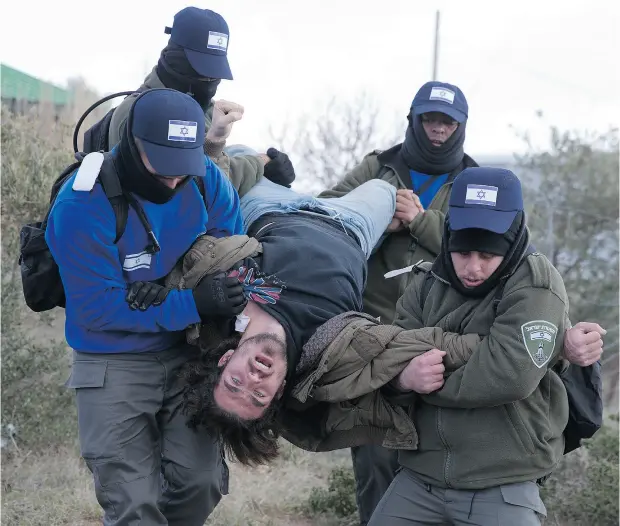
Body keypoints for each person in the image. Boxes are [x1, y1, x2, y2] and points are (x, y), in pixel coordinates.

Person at [127, 172, 603, 467]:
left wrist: (171, 291)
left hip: (269, 210)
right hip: (351, 226)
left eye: (235, 384)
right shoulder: (337, 356)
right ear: (278, 392)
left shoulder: (211, 313)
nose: (252, 380)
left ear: (227, 359)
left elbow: (185, 254)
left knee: (234, 162)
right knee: (389, 190)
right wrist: (555, 347)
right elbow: (440, 346)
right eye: (258, 396)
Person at [48, 88, 247, 526]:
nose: (176, 181)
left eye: (185, 168)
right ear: (134, 146)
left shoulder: (204, 178)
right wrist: (189, 303)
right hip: (111, 358)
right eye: (165, 169)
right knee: (134, 502)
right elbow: (98, 310)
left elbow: (230, 252)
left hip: (185, 349)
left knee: (200, 483)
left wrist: (183, 289)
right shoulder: (80, 205)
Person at [363, 167, 589, 525]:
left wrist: (426, 379)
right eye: (463, 252)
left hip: (502, 481)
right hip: (421, 476)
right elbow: (390, 359)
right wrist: (404, 380)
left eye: (487, 255)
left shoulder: (536, 285)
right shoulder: (426, 281)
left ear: (512, 238)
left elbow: (508, 376)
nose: (473, 267)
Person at [318, 80, 479, 524]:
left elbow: (487, 250)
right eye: (430, 119)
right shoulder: (379, 167)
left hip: (442, 337)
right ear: (413, 120)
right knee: (373, 454)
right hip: (371, 334)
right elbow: (326, 213)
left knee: (437, 449)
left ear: (461, 126)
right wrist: (381, 219)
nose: (438, 130)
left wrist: (423, 222)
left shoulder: (472, 181)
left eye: (448, 122)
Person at [101, 6, 295, 195]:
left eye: (214, 75)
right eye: (202, 72)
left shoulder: (202, 108)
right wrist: (259, 164)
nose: (208, 82)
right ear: (177, 60)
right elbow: (194, 189)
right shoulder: (138, 113)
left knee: (241, 150)